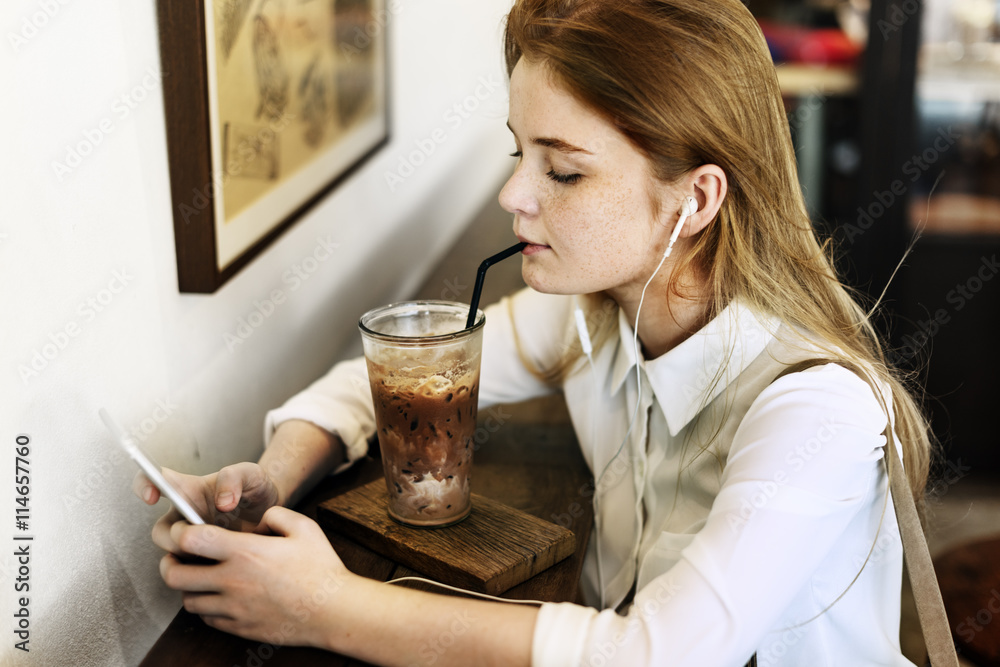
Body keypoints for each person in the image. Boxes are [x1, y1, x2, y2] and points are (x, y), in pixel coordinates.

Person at [135, 0, 935, 664]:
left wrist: (325, 606)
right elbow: (378, 375)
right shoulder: (591, 315)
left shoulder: (815, 413)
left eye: (563, 170)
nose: (513, 194)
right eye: (521, 152)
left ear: (694, 201)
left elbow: (657, 652)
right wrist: (272, 478)